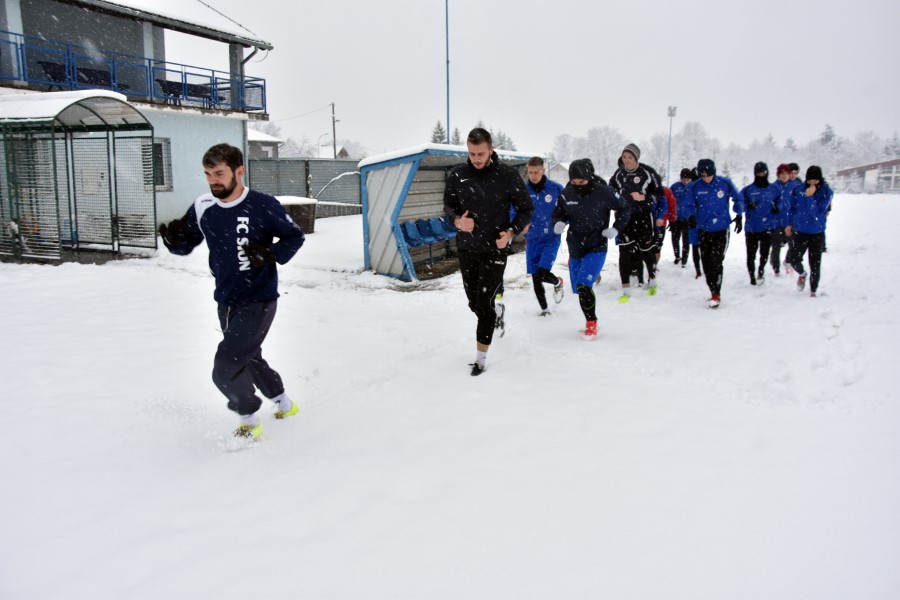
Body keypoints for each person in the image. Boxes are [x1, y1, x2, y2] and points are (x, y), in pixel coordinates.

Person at [158, 143, 306, 439]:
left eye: (219, 173)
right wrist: (173, 241)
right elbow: (186, 244)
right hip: (226, 299)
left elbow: (295, 236)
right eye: (208, 174)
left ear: (239, 172)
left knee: (225, 367)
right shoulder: (203, 207)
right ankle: (284, 403)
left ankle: (248, 417)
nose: (213, 180)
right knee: (249, 357)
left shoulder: (263, 205)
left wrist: (270, 253)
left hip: (260, 299)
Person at [443, 127, 534, 376]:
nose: (476, 159)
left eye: (481, 153)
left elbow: (526, 208)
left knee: (483, 304)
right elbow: (448, 207)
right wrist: (457, 222)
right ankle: (497, 311)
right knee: (474, 302)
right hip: (467, 248)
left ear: (491, 149)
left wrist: (511, 232)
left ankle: (480, 359)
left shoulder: (507, 175)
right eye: (472, 153)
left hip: (495, 248)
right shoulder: (457, 176)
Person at [551, 159, 630, 338]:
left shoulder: (604, 192)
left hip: (597, 245)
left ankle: (591, 323)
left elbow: (624, 208)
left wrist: (616, 228)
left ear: (589, 178)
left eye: (582, 182)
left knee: (584, 285)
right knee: (580, 289)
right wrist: (559, 222)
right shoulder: (567, 193)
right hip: (575, 246)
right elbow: (558, 213)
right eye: (574, 182)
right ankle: (590, 318)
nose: (578, 186)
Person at [681, 158, 744, 308]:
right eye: (703, 175)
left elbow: (738, 199)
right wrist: (690, 216)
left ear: (713, 173)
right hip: (704, 230)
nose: (706, 178)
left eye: (708, 175)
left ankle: (716, 293)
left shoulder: (724, 183)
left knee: (716, 261)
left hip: (722, 230)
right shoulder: (695, 187)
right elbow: (687, 205)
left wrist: (739, 215)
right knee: (707, 263)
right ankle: (712, 290)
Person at [609, 143, 663, 302]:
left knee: (646, 249)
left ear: (636, 158)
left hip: (643, 216)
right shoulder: (618, 174)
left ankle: (652, 279)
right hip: (625, 218)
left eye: (630, 157)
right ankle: (626, 289)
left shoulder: (647, 172)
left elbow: (659, 194)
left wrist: (643, 197)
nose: (626, 160)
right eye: (624, 157)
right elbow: (610, 191)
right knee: (624, 252)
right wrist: (615, 204)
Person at [523, 156, 566, 316]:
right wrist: (521, 224)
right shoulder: (523, 191)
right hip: (532, 239)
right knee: (535, 277)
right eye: (531, 172)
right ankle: (545, 310)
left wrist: (563, 223)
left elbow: (566, 210)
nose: (533, 175)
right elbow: (515, 210)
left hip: (551, 239)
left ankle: (557, 282)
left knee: (542, 272)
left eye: (537, 172)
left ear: (543, 170)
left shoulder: (556, 188)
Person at [786, 165, 833, 297]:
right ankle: (802, 274)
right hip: (800, 231)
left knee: (815, 264)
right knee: (794, 259)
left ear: (820, 179)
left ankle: (813, 289)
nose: (812, 183)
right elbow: (792, 208)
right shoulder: (797, 190)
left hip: (816, 233)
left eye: (815, 180)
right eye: (809, 180)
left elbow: (819, 213)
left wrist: (810, 197)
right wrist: (789, 224)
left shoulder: (827, 192)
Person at [740, 162, 781, 285]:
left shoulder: (774, 189)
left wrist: (777, 208)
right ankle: (752, 276)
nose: (761, 175)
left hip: (767, 227)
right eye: (758, 173)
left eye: (763, 172)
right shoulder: (748, 190)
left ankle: (761, 270)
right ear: (755, 174)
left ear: (767, 173)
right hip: (751, 228)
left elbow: (780, 200)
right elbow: (739, 204)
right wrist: (747, 206)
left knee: (764, 253)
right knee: (750, 255)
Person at [769, 163, 793, 276]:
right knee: (776, 246)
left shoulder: (794, 186)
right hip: (776, 222)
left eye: (786, 173)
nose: (784, 176)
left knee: (793, 245)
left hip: (790, 222)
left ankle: (788, 261)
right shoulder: (773, 187)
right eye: (781, 173)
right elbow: (768, 202)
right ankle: (776, 268)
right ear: (778, 175)